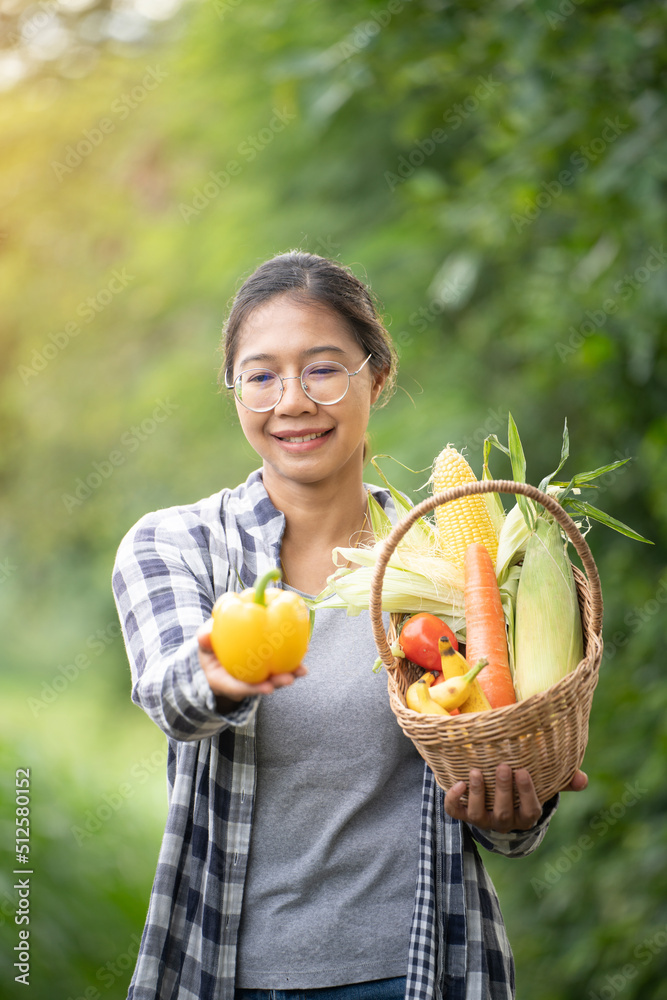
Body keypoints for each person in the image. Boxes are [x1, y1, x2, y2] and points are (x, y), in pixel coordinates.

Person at [112, 251, 587, 1000]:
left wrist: (520, 800)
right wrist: (220, 672)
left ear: (377, 376)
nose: (292, 401)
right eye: (260, 375)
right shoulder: (176, 545)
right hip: (224, 972)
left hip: (425, 970)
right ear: (233, 392)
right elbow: (170, 697)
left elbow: (506, 806)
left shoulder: (451, 559)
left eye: (323, 369)